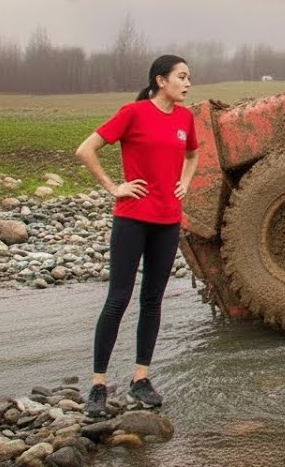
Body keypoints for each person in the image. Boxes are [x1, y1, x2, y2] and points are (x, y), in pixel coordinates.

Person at [75, 55, 198, 417]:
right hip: (132, 219)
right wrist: (115, 187)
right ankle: (97, 385)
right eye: (182, 77)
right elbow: (85, 150)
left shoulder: (185, 119)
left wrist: (185, 183)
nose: (188, 83)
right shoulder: (133, 113)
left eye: (189, 77)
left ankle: (140, 380)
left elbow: (193, 155)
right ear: (161, 80)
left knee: (152, 300)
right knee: (118, 299)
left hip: (168, 220)